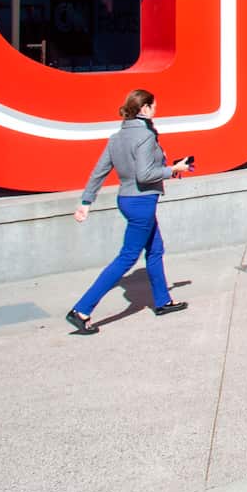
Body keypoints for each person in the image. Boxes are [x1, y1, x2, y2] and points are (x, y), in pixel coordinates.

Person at [67, 89, 193, 334]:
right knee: (127, 258)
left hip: (127, 199)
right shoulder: (145, 137)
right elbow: (145, 175)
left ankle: (163, 301)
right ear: (144, 109)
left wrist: (86, 201)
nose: (156, 110)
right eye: (154, 107)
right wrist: (173, 169)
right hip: (142, 202)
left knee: (156, 249)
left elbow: (99, 171)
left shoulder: (117, 137)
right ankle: (81, 310)